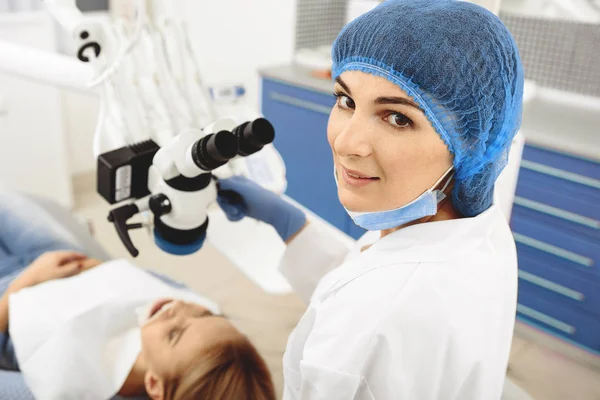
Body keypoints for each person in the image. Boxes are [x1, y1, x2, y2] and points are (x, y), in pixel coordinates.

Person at [216, 1, 524, 399]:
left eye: (397, 118)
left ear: (470, 144)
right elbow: (369, 276)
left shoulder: (373, 324)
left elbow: (373, 306)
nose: (346, 142)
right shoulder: (480, 233)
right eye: (346, 101)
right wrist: (291, 224)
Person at [0, 190, 276, 400]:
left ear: (154, 385)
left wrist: (23, 283)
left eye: (173, 335)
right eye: (205, 313)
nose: (177, 307)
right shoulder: (192, 337)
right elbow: (137, 277)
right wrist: (90, 266)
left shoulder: (64, 386)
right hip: (61, 261)